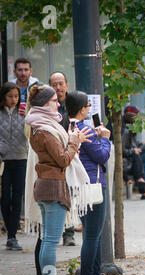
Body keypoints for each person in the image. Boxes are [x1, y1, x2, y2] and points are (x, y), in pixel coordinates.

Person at [25, 85, 93, 275]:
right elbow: (63, 159)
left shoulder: (40, 125)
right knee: (50, 241)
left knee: (47, 240)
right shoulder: (44, 129)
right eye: (54, 101)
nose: (58, 104)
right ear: (45, 104)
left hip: (46, 185)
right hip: (53, 187)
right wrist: (74, 141)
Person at [65, 90, 112, 275]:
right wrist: (105, 138)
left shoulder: (68, 126)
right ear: (83, 109)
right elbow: (102, 156)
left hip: (78, 185)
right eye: (87, 106)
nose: (89, 109)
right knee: (93, 235)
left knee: (92, 234)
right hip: (92, 185)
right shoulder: (87, 130)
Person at [49, 71, 77, 245]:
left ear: (67, 85)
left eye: (61, 84)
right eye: (54, 84)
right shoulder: (47, 105)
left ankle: (69, 233)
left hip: (70, 154)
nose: (58, 87)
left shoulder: (73, 104)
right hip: (52, 155)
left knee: (70, 193)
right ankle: (54, 232)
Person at [0, 82, 27, 250]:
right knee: (4, 197)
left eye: (16, 96)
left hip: (21, 158)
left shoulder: (24, 112)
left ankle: (12, 235)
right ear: (3, 97)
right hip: (3, 160)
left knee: (17, 198)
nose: (13, 100)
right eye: (10, 96)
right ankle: (10, 230)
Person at [122, 106, 145, 200]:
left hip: (133, 156)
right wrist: (134, 150)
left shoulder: (130, 130)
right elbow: (122, 150)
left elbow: (131, 145)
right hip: (129, 158)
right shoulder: (125, 131)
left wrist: (141, 144)